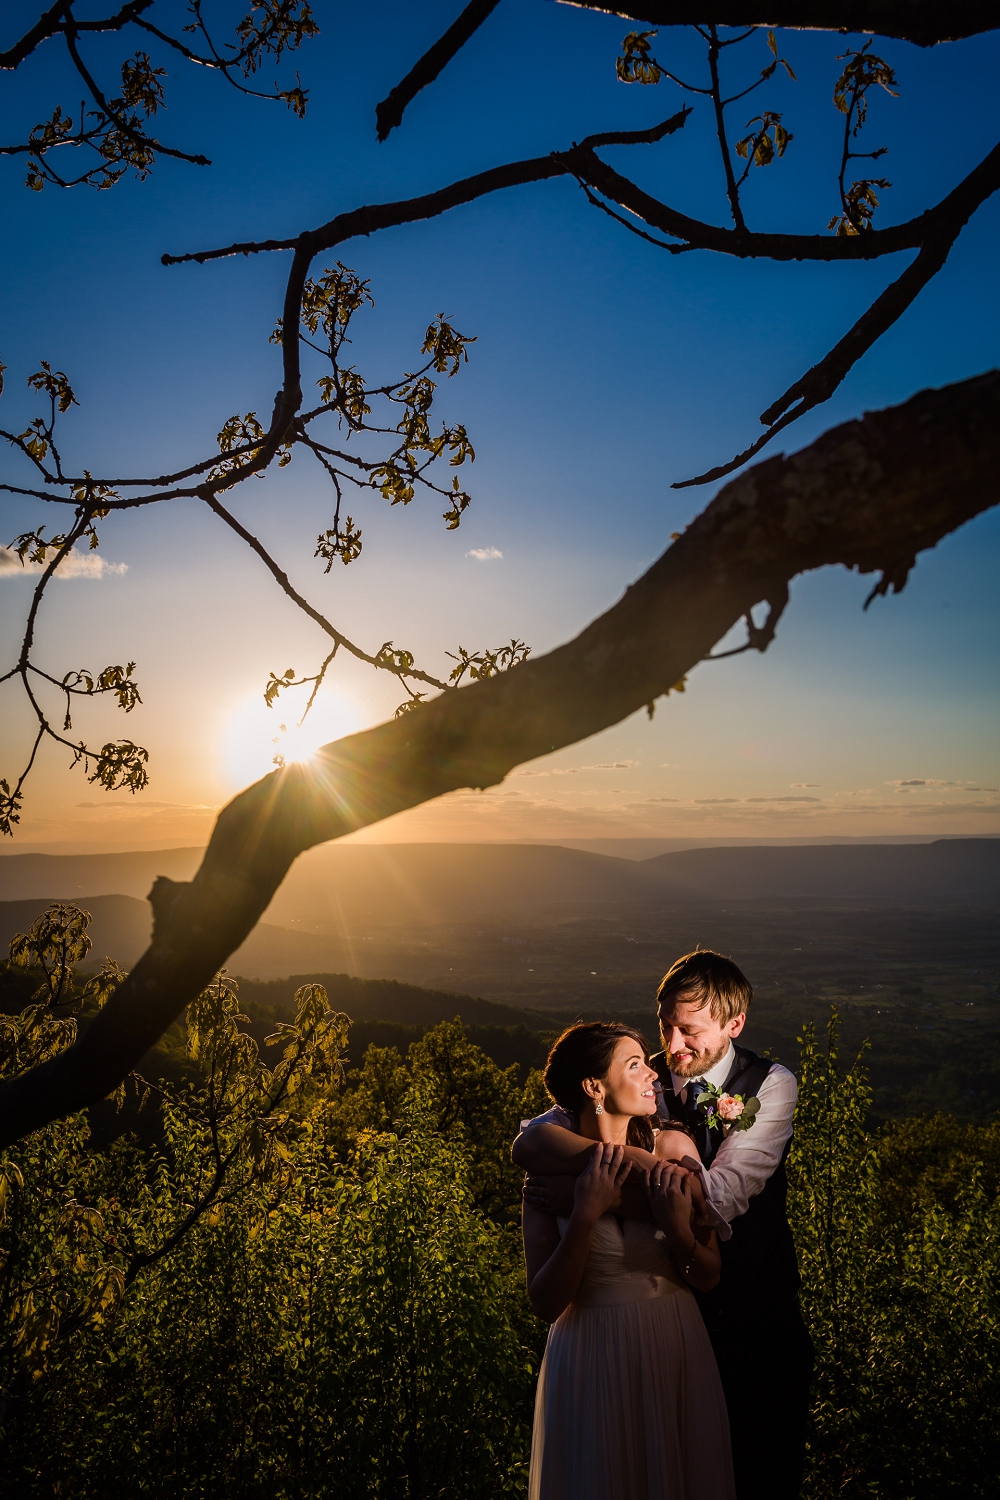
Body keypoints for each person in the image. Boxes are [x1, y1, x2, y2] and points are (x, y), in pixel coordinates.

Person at [514, 952, 813, 1500]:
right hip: (657, 1335)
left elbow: (715, 1201)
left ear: (734, 1024)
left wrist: (596, 1196)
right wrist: (630, 1172)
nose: (671, 1047)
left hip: (754, 1327)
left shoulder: (770, 1085)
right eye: (665, 1026)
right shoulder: (632, 1075)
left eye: (690, 1030)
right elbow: (534, 1138)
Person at [523, 1020, 735, 1500]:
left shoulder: (673, 1151)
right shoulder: (547, 1170)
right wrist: (584, 1214)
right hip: (589, 1354)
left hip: (673, 1340)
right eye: (635, 1065)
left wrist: (679, 1232)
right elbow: (545, 1302)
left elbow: (709, 1275)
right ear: (594, 1087)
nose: (653, 1076)